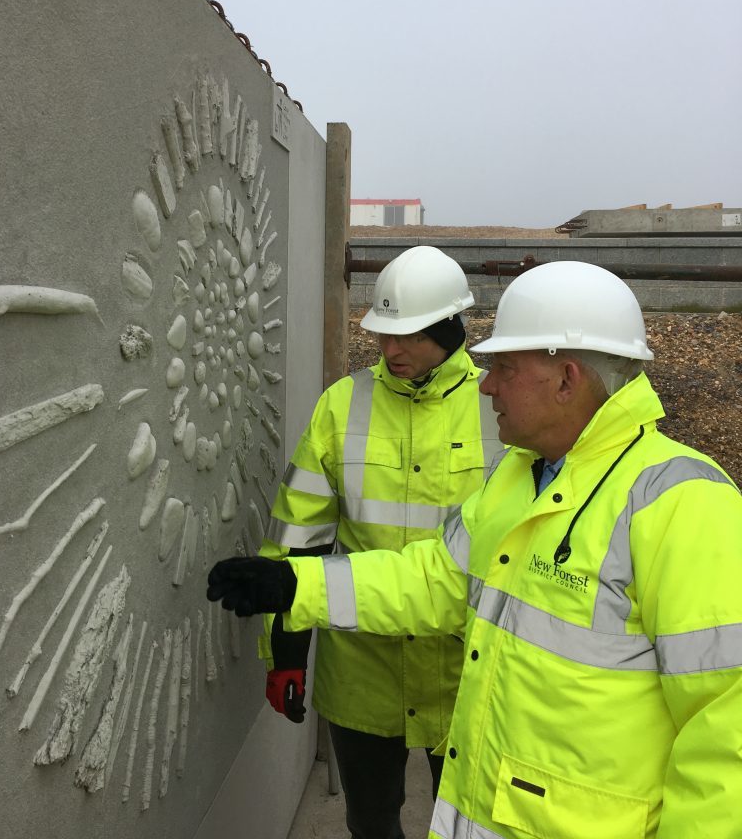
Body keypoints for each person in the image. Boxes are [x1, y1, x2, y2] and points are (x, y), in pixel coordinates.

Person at [208, 260, 742, 839]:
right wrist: (295, 587)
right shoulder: (518, 476)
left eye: (505, 368)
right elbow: (438, 579)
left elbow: (727, 735)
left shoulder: (681, 503)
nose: (486, 385)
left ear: (567, 379)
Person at [251, 245, 501, 839]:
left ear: (449, 328)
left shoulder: (500, 409)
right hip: (365, 672)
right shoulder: (342, 405)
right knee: (369, 823)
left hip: (468, 671)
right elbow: (297, 537)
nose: (390, 350)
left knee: (472, 827)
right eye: (384, 334)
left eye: (408, 336)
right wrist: (286, 652)